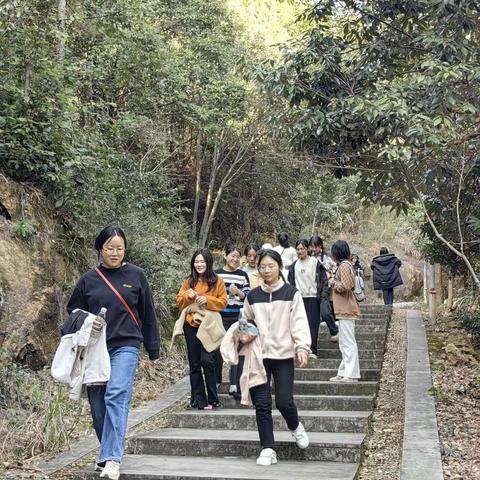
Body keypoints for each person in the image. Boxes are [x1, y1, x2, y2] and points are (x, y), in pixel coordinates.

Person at [66, 225, 160, 480]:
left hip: (126, 345)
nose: (115, 253)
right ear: (100, 249)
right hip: (96, 350)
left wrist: (153, 348)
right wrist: (88, 320)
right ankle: (108, 452)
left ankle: (112, 460)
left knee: (116, 396)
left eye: (119, 248)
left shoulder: (136, 275)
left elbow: (148, 313)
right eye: (109, 248)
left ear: (125, 250)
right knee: (98, 408)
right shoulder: (88, 280)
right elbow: (72, 313)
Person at [243, 249, 311, 466]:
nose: (266, 270)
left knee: (283, 401)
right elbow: (244, 320)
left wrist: (302, 347)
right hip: (259, 356)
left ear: (280, 267)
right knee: (262, 404)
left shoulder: (291, 293)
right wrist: (243, 334)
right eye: (262, 267)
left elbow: (299, 322)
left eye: (271, 266)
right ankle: (268, 449)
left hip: (283, 356)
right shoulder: (253, 296)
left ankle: (295, 426)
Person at [176, 248, 227, 410]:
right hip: (191, 325)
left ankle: (213, 398)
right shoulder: (189, 281)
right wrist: (188, 296)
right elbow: (179, 300)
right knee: (195, 363)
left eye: (202, 261)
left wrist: (207, 299)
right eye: (196, 261)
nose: (199, 264)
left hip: (209, 326)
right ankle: (197, 399)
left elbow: (223, 302)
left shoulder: (217, 280)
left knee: (207, 360)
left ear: (208, 263)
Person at [215, 245, 250, 399]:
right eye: (232, 256)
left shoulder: (243, 275)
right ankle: (216, 381)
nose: (235, 259)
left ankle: (234, 384)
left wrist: (239, 293)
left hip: (239, 317)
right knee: (217, 349)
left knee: (238, 349)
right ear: (225, 255)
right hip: (219, 316)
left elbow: (248, 297)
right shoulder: (216, 274)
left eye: (238, 257)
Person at [288, 239, 332, 359]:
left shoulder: (315, 263)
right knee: (299, 325)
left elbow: (324, 280)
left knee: (313, 325)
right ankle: (301, 349)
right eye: (298, 249)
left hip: (313, 298)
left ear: (307, 249)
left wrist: (323, 295)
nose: (300, 251)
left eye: (302, 248)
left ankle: (313, 350)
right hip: (299, 298)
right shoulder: (294, 265)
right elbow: (290, 282)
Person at [328, 240, 360, 383]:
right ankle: (343, 372)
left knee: (348, 342)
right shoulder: (344, 265)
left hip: (346, 308)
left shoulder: (345, 266)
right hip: (343, 309)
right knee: (344, 342)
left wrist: (333, 282)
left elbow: (347, 285)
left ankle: (351, 374)